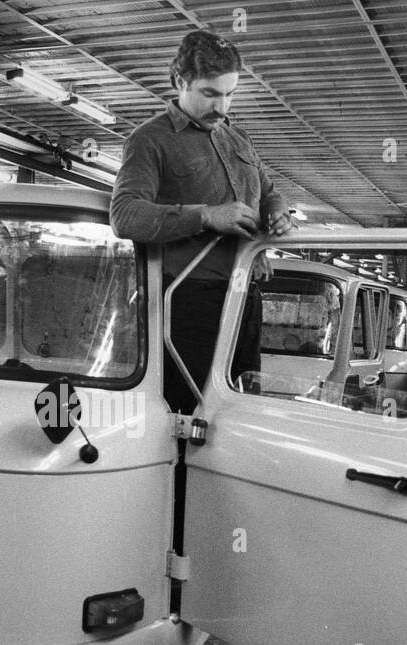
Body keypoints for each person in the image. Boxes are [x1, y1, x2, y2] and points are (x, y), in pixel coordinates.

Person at [110, 28, 292, 414]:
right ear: (180, 81)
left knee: (239, 408)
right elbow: (125, 215)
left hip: (246, 296)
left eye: (229, 94)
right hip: (189, 301)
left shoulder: (238, 139)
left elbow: (269, 189)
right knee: (191, 413)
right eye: (210, 94)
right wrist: (207, 216)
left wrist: (278, 212)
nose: (222, 107)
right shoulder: (149, 141)